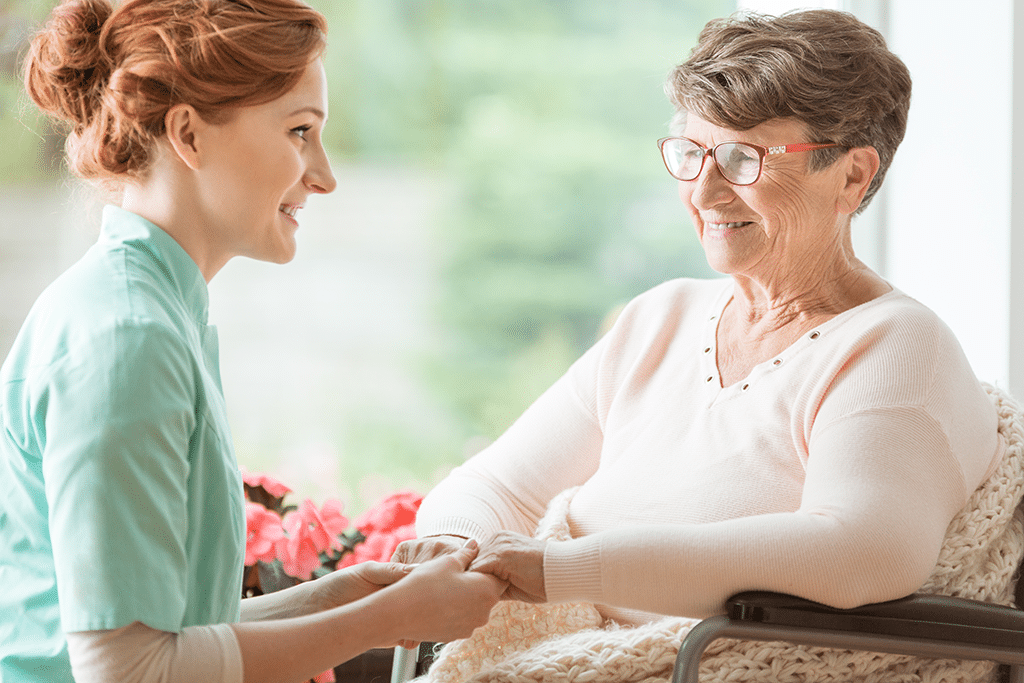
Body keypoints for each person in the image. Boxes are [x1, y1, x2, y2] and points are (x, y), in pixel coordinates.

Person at [394, 8, 1004, 629]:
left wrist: (561, 570)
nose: (705, 193)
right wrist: (456, 551)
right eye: (692, 152)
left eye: (744, 159)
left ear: (851, 175)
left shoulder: (894, 345)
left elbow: (860, 552)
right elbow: (496, 486)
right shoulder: (661, 318)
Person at [0, 1, 503, 682]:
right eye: (300, 131)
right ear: (189, 135)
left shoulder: (156, 312)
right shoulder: (126, 340)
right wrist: (384, 620)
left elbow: (174, 631)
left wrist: (345, 594)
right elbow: (130, 668)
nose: (323, 175)